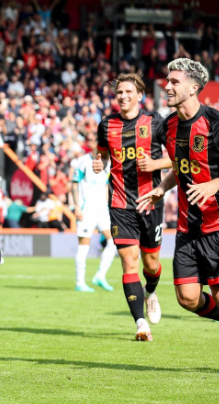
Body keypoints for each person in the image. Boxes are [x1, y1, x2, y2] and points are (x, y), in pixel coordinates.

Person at [137, 58, 219, 376]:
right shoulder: (169, 126)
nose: (167, 86)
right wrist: (161, 188)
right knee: (187, 298)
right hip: (187, 226)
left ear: (194, 87)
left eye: (174, 82)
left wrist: (215, 184)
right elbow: (179, 167)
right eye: (167, 80)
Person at [93, 73, 170, 340]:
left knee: (151, 264)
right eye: (119, 92)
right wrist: (99, 163)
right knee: (129, 262)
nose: (123, 96)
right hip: (119, 203)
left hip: (151, 202)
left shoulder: (156, 122)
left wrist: (156, 164)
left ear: (139, 95)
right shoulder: (106, 125)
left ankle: (151, 292)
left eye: (128, 91)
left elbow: (179, 157)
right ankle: (141, 324)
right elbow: (102, 154)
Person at [72, 139, 116, 293]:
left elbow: (106, 186)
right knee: (84, 245)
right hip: (87, 210)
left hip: (102, 210)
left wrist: (109, 205)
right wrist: (77, 206)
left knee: (113, 241)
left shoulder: (108, 163)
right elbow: (74, 183)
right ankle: (80, 282)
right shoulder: (83, 161)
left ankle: (100, 276)